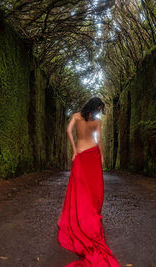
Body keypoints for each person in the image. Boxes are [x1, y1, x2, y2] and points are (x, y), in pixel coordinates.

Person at [57, 97, 120, 266]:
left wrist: (74, 150)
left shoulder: (77, 117)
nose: (99, 111)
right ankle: (91, 212)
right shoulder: (97, 122)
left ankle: (84, 212)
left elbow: (69, 131)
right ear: (95, 106)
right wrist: (102, 158)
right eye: (99, 108)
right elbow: (99, 140)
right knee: (94, 188)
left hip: (81, 154)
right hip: (92, 154)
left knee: (80, 187)